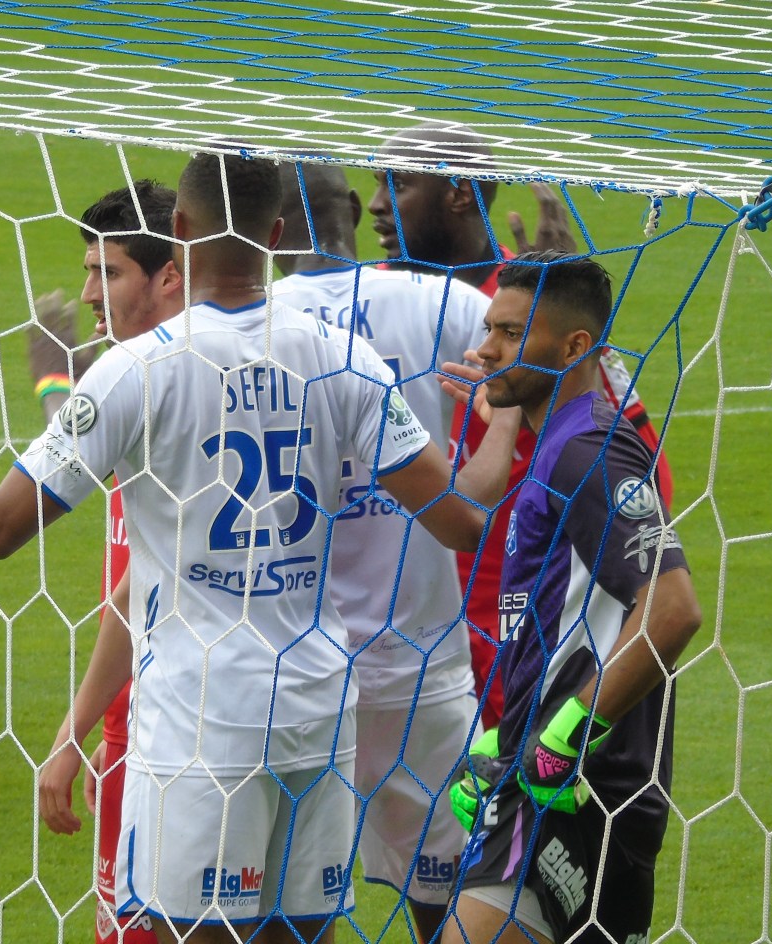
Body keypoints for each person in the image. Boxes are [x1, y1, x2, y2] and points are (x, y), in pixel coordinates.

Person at [0, 152, 520, 943]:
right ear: (274, 236)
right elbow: (460, 520)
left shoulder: (137, 368)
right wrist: (512, 414)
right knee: (302, 933)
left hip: (201, 721)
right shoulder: (349, 361)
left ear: (179, 231)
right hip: (318, 708)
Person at [368, 122, 673, 728]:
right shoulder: (364, 299)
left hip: (518, 622)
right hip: (388, 632)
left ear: (459, 193)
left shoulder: (543, 312)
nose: (376, 205)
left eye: (396, 185)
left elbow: (644, 471)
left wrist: (590, 339)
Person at [439, 251, 701, 944]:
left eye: (510, 333)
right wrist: (507, 738)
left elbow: (672, 609)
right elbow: (569, 623)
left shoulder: (589, 453)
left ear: (574, 346)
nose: (486, 349)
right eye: (489, 328)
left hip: (577, 793)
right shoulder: (557, 445)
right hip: (550, 785)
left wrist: (569, 732)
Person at [270, 161, 490, 943]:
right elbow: (554, 370)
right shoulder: (441, 302)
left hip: (292, 672)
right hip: (423, 665)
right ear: (357, 211)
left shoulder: (249, 322)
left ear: (264, 230)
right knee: (454, 900)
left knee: (295, 906)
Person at [34, 179, 183, 944]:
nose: (91, 292)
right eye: (88, 271)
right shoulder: (142, 375)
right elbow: (85, 447)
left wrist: (70, 733)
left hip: (171, 725)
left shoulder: (171, 381)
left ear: (170, 275)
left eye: (108, 272)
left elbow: (10, 518)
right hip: (140, 717)